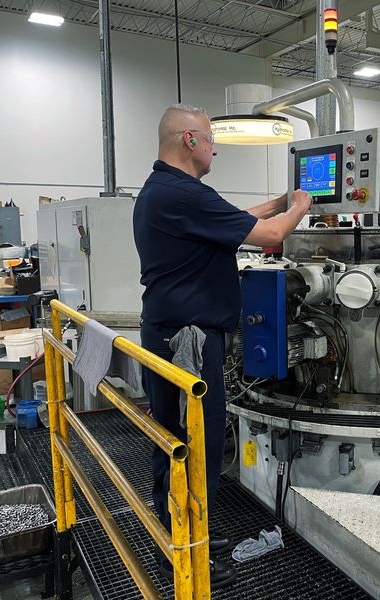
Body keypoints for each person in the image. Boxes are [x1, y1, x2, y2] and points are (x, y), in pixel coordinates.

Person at [133, 104, 312, 588]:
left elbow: (234, 223)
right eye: (211, 139)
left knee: (172, 436)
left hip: (170, 332)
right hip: (189, 341)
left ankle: (184, 531)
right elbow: (271, 239)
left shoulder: (164, 192)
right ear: (189, 140)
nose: (215, 148)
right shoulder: (184, 193)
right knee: (197, 443)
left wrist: (277, 204)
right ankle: (185, 549)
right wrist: (300, 208)